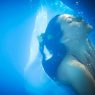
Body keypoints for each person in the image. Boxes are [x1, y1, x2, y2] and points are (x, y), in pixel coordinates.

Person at [39, 14, 95, 95]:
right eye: (70, 21)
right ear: (65, 39)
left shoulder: (89, 48)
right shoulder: (74, 68)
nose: (80, 18)